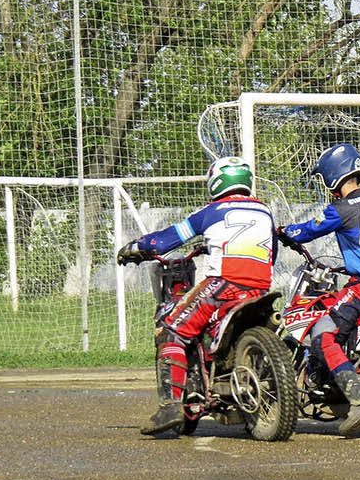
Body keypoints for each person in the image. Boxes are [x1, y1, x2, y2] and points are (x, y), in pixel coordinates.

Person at [117, 156, 277, 437]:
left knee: (171, 329)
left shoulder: (211, 212)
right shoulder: (265, 211)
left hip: (224, 287)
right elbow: (271, 253)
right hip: (261, 290)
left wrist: (137, 246)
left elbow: (165, 240)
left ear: (216, 182)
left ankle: (169, 405)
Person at [277, 142, 360, 435]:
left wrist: (285, 232)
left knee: (323, 334)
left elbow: (310, 230)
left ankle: (359, 398)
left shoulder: (339, 208)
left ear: (331, 177)